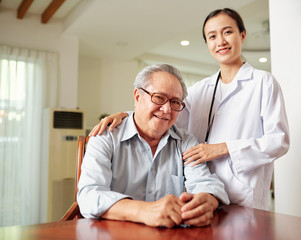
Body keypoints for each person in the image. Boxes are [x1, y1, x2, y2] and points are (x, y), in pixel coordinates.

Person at [89, 8, 290, 210]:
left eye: (227, 32)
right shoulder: (199, 90)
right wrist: (126, 116)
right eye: (212, 36)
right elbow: (165, 116)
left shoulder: (264, 83)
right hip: (199, 194)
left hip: (244, 197)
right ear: (207, 44)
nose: (220, 41)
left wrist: (223, 148)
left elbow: (279, 141)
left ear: (242, 35)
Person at [77, 64, 229, 228]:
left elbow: (205, 182)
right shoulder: (105, 137)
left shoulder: (185, 141)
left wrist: (208, 201)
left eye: (175, 102)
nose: (167, 110)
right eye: (159, 97)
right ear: (137, 96)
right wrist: (144, 211)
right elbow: (89, 196)